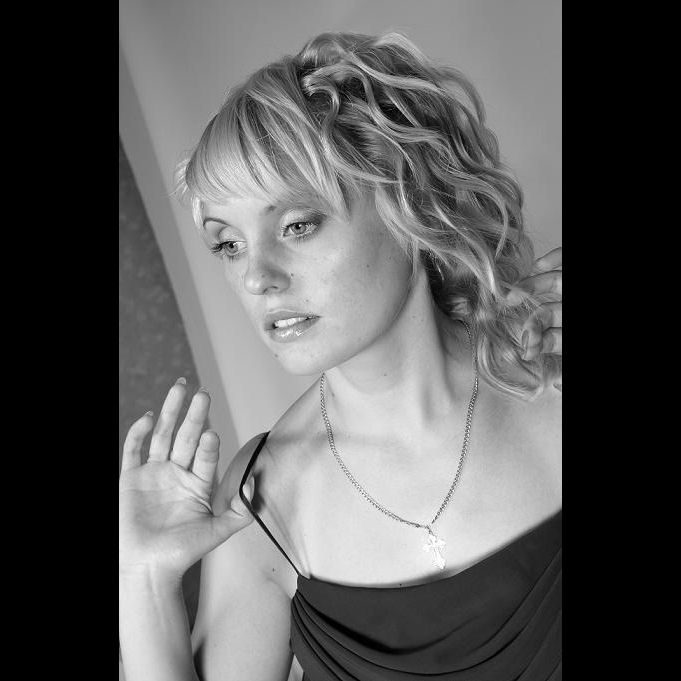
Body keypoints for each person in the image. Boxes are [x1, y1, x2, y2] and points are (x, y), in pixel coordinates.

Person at [119, 31, 562, 681]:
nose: (257, 277)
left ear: (408, 205)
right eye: (228, 244)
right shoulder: (262, 501)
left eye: (296, 225)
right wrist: (145, 579)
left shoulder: (551, 381)